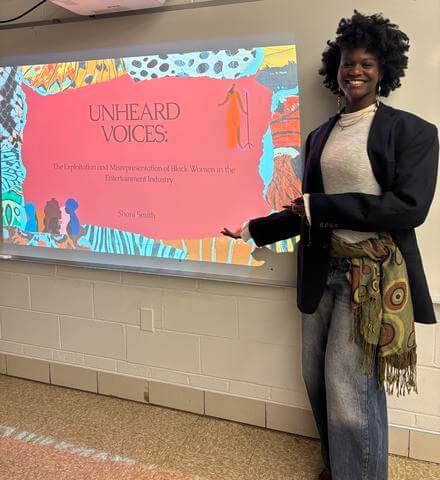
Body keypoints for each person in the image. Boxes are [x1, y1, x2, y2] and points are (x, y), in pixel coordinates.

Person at [222, 10, 439, 480]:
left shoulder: (414, 132)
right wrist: (254, 229)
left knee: (351, 390)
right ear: (334, 69)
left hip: (371, 278)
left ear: (384, 71)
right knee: (317, 380)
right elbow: (307, 209)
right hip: (323, 271)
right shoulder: (320, 136)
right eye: (347, 63)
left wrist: (325, 205)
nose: (354, 71)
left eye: (366, 63)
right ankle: (343, 466)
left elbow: (408, 208)